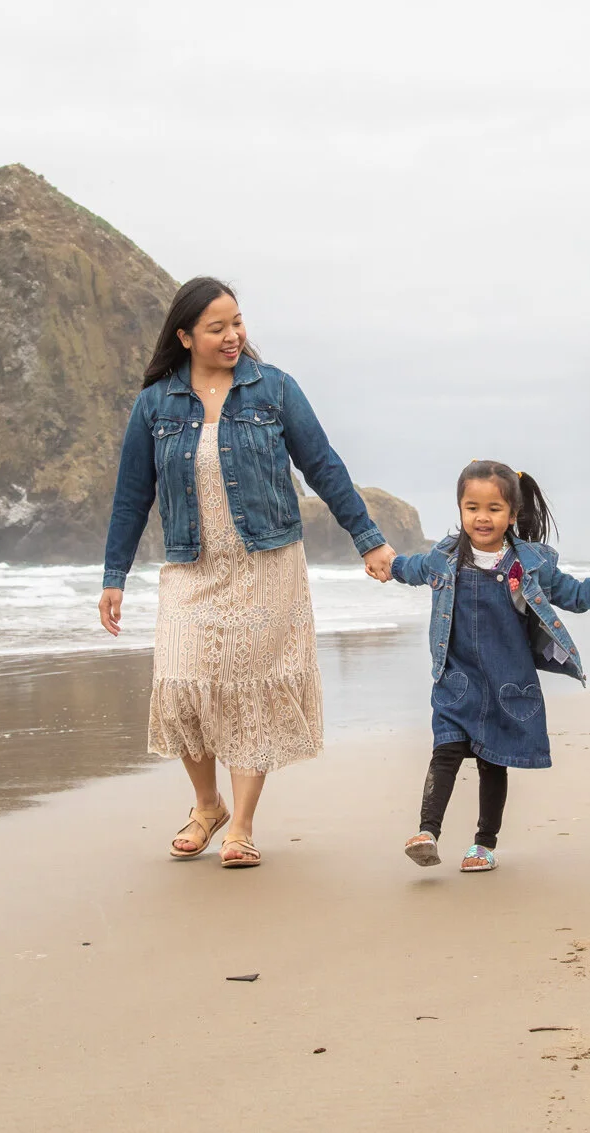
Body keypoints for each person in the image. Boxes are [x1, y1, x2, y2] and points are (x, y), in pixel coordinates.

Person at [100, 276, 396, 869]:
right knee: (183, 683)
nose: (233, 335)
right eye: (217, 327)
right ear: (184, 337)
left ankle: (240, 825)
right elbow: (132, 494)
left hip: (266, 565)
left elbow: (324, 467)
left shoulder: (275, 390)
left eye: (237, 322)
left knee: (252, 694)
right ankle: (205, 806)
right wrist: (115, 576)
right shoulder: (156, 403)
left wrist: (369, 540)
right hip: (192, 565)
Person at [378, 460, 590, 873]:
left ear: (512, 514)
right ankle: (427, 832)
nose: (482, 517)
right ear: (460, 509)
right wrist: (388, 565)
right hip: (457, 678)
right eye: (472, 507)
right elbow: (410, 568)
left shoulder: (529, 565)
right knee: (444, 750)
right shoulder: (443, 559)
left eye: (494, 508)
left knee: (492, 759)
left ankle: (483, 844)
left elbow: (577, 595)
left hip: (507, 681)